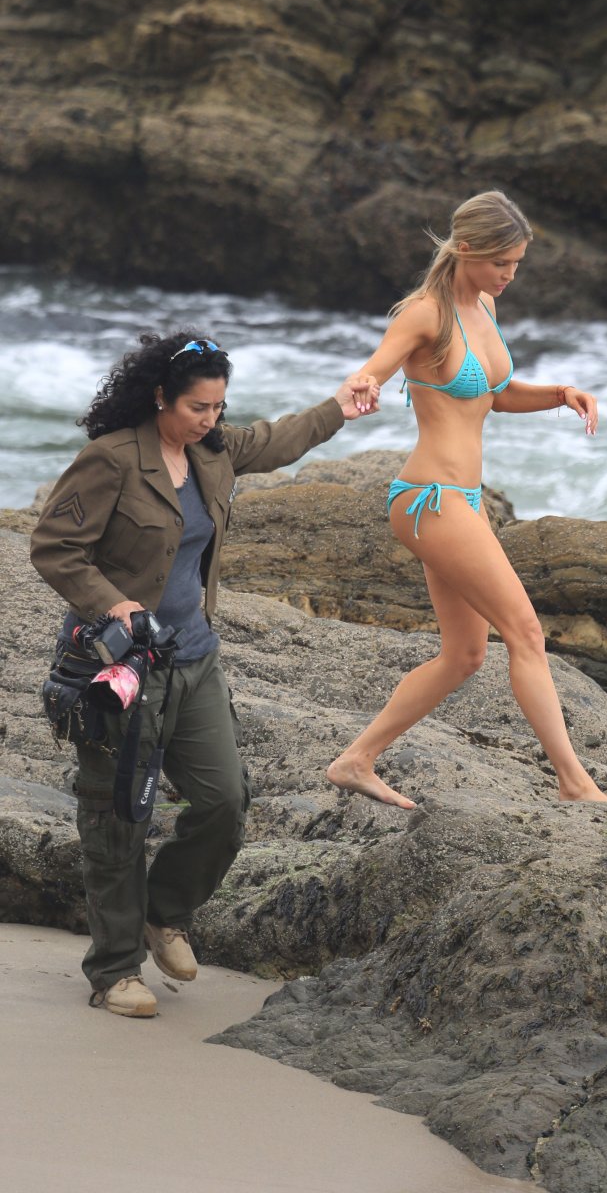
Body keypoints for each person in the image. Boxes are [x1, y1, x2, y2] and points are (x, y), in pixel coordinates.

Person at [30, 330, 377, 1017]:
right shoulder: (110, 459)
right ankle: (114, 971)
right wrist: (115, 604)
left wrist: (340, 405)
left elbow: (277, 440)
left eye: (219, 407)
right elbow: (55, 547)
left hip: (194, 658)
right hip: (118, 668)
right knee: (117, 817)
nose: (210, 419)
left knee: (224, 801)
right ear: (160, 395)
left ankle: (164, 912)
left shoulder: (214, 451)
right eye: (197, 407)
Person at [327, 190, 607, 809]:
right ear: (465, 250)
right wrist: (363, 383)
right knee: (526, 631)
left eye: (517, 264)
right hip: (429, 499)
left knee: (463, 656)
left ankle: (355, 760)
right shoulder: (424, 314)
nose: (510, 275)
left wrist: (560, 394)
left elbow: (496, 395)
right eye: (501, 263)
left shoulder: (483, 304)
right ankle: (574, 783)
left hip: (462, 499)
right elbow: (376, 367)